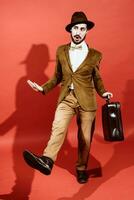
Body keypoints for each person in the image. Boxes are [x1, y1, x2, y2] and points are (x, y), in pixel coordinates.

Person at [23, 11, 113, 184]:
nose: (78, 32)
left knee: (84, 138)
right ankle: (47, 160)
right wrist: (43, 88)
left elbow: (97, 78)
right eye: (75, 28)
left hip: (87, 101)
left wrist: (103, 92)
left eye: (82, 29)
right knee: (58, 127)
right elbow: (57, 76)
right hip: (67, 97)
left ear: (87, 31)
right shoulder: (61, 51)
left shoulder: (95, 55)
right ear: (70, 30)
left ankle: (81, 169)